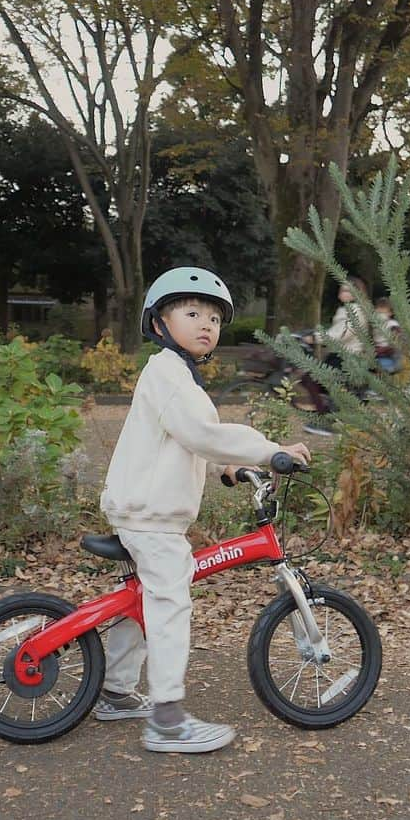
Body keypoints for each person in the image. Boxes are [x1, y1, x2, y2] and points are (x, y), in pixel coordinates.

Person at [96, 266, 311, 754]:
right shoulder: (167, 373)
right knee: (171, 600)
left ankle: (114, 690)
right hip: (149, 515)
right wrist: (268, 451)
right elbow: (203, 434)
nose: (205, 324)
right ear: (158, 324)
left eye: (213, 317)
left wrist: (230, 469)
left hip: (146, 511)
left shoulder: (179, 379)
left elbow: (194, 439)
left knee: (140, 601)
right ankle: (168, 721)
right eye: (191, 313)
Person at [302, 278, 367, 435]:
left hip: (348, 359)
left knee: (314, 380)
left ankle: (327, 421)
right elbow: (335, 331)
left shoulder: (357, 311)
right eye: (342, 289)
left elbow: (342, 335)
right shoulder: (343, 310)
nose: (343, 293)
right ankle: (324, 414)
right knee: (312, 381)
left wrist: (315, 338)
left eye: (347, 290)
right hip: (337, 356)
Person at [371, 295, 403, 374]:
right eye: (378, 312)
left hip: (387, 353)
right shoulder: (374, 324)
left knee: (383, 371)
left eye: (383, 312)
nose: (380, 315)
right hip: (377, 352)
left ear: (390, 313)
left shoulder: (391, 323)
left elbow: (397, 337)